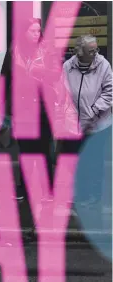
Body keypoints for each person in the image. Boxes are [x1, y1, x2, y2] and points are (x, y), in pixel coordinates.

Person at [0, 18, 60, 201]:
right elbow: (4, 79)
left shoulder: (46, 51)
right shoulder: (14, 51)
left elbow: (56, 75)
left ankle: (48, 190)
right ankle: (23, 188)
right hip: (22, 108)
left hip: (43, 107)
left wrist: (41, 75)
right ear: (24, 32)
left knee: (44, 149)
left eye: (38, 31)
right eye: (32, 31)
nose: (36, 34)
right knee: (25, 150)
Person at [60, 34, 112, 206]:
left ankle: (94, 196)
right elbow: (62, 93)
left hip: (97, 124)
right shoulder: (68, 67)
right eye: (91, 50)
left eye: (96, 49)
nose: (95, 52)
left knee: (93, 161)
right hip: (74, 124)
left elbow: (109, 92)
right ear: (79, 51)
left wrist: (94, 111)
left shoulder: (103, 65)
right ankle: (80, 195)